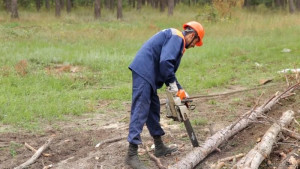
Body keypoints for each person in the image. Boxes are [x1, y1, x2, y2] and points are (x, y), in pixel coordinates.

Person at [126, 21, 205, 169]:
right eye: (196, 42)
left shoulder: (176, 38)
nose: (194, 45)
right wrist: (175, 88)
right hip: (144, 71)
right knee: (141, 109)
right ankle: (131, 155)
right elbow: (166, 63)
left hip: (148, 74)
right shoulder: (178, 38)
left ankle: (159, 146)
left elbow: (168, 70)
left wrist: (181, 92)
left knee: (153, 108)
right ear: (192, 35)